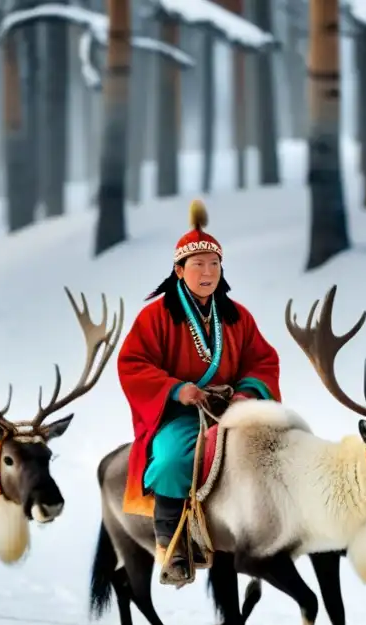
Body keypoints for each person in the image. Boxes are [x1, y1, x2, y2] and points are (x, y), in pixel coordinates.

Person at [118, 200, 281, 586]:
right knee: (174, 460)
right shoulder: (155, 317)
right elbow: (132, 364)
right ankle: (172, 546)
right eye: (198, 265)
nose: (207, 272)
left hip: (234, 410)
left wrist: (246, 393)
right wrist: (176, 390)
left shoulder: (237, 315)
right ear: (179, 270)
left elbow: (264, 361)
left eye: (213, 265)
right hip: (179, 414)